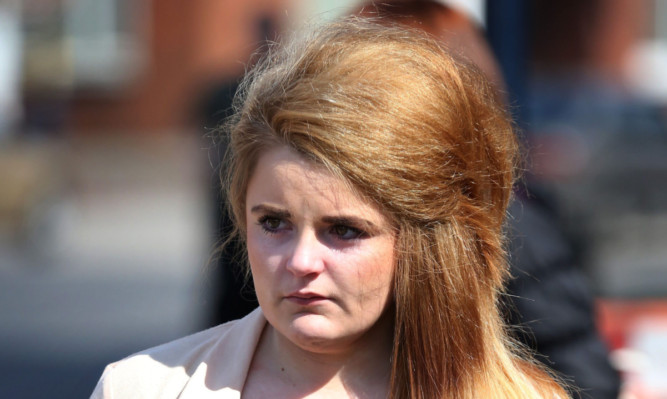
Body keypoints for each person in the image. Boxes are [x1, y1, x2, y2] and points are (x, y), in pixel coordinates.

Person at [91, 18, 567, 398]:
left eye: (343, 230)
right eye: (273, 222)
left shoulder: (519, 395)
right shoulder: (140, 388)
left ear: (429, 242)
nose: (300, 261)